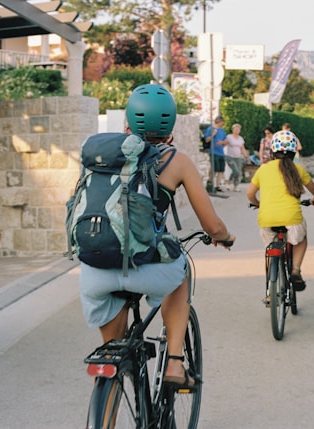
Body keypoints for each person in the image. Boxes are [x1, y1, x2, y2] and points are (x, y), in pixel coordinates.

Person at [79, 84, 236, 389]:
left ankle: (109, 401)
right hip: (150, 270)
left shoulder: (101, 156)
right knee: (181, 275)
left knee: (114, 357)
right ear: (171, 131)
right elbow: (212, 226)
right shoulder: (177, 161)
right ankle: (175, 363)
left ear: (127, 126)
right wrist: (225, 236)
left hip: (95, 270)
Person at [246, 129, 314, 293]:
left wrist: (258, 203)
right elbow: (313, 189)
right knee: (301, 239)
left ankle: (269, 292)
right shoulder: (297, 169)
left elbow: (250, 194)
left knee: (270, 251)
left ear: (272, 150)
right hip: (292, 219)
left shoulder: (263, 169)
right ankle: (295, 270)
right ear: (294, 151)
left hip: (266, 220)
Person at [224, 123, 251, 192]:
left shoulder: (240, 138)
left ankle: (235, 186)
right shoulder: (229, 137)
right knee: (235, 170)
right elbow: (224, 144)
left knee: (238, 172)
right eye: (235, 129)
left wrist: (247, 157)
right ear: (232, 130)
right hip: (230, 156)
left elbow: (242, 148)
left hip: (238, 157)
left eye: (238, 129)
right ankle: (229, 182)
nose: (236, 130)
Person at [204, 116, 227, 191]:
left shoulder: (222, 131)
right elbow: (207, 140)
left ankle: (218, 186)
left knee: (221, 170)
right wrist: (213, 134)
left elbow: (226, 141)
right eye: (222, 122)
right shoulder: (210, 129)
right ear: (219, 121)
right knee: (214, 168)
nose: (223, 124)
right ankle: (210, 182)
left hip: (221, 152)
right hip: (213, 151)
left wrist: (222, 142)